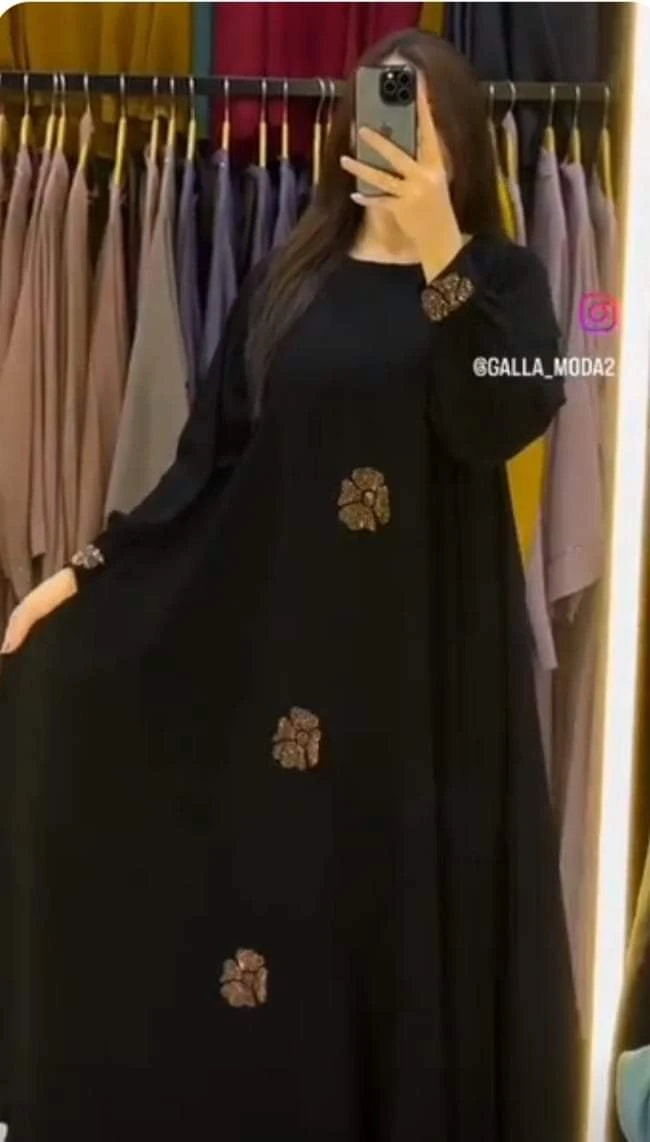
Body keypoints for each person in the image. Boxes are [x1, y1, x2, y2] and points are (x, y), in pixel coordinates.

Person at [0, 28, 580, 1142]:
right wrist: (87, 573)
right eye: (380, 121)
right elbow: (210, 462)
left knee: (402, 934)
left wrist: (440, 251)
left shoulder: (504, 282)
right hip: (292, 677)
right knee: (284, 931)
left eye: (422, 128)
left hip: (425, 687)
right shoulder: (290, 276)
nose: (397, 146)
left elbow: (500, 416)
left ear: (460, 144)